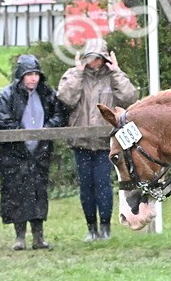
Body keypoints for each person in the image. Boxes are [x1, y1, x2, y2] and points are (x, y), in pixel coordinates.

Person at [57, 38, 138, 241]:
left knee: (103, 186)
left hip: (105, 142)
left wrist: (117, 71)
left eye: (98, 58)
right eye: (90, 57)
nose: (94, 62)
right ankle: (91, 228)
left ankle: (105, 228)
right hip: (81, 141)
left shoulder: (113, 77)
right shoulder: (75, 75)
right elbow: (65, 98)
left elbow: (130, 98)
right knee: (86, 187)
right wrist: (77, 71)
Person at [0, 55, 65, 250]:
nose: (33, 78)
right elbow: (1, 118)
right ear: (20, 76)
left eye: (36, 74)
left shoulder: (47, 94)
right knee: (16, 194)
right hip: (15, 154)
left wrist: (47, 129)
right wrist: (21, 135)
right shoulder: (7, 95)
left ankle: (38, 237)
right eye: (29, 74)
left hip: (40, 151)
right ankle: (20, 237)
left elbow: (59, 115)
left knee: (38, 193)